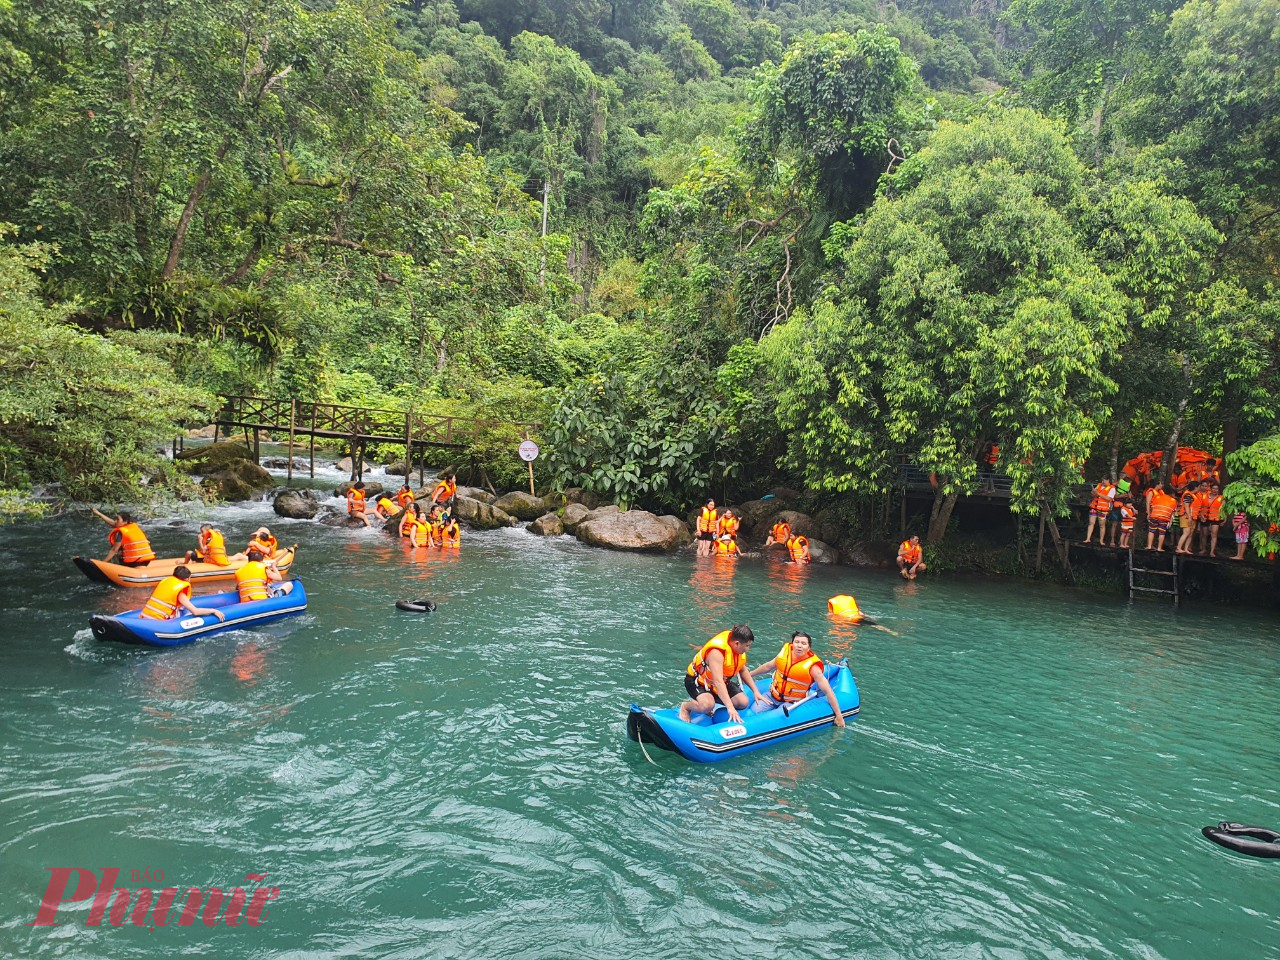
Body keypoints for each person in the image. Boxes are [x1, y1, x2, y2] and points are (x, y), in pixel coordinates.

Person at [749, 631, 846, 727]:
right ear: (792, 643)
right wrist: (750, 674)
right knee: (753, 712)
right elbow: (768, 666)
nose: (799, 645)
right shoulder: (784, 654)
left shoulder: (813, 667)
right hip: (772, 695)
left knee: (777, 720)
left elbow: (828, 691)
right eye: (797, 642)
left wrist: (839, 716)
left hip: (792, 702)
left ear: (808, 648)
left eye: (803, 643)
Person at [678, 625, 765, 724]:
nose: (747, 649)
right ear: (737, 643)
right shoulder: (717, 653)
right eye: (747, 646)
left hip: (719, 682)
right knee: (707, 706)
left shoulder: (736, 649)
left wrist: (755, 691)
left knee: (743, 702)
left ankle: (709, 704)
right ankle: (686, 706)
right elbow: (718, 682)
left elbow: (743, 670)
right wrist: (730, 708)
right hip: (698, 681)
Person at [140, 566, 225, 622]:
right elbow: (195, 612)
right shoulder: (180, 593)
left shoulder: (165, 582)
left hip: (145, 616)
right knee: (187, 614)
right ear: (187, 579)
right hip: (158, 622)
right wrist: (214, 611)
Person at [1082, 477, 1115, 545]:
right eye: (1102, 480)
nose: (1102, 481)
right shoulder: (1099, 485)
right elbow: (1094, 494)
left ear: (1108, 480)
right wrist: (1093, 492)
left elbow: (1108, 498)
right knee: (1091, 522)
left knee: (1102, 525)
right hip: (1094, 506)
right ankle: (1088, 538)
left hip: (1103, 509)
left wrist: (1098, 493)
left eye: (1104, 480)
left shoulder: (1112, 488)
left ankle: (1101, 541)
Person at [1145, 483, 1177, 551]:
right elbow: (1172, 512)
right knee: (1162, 532)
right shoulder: (1174, 501)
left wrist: (1150, 514)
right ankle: (1159, 548)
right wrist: (1170, 521)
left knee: (1151, 531)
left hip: (1154, 516)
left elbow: (1152, 506)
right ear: (1172, 493)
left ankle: (1149, 546)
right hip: (1164, 518)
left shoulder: (1158, 497)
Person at [1175, 480, 1201, 554]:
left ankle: (1186, 548)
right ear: (1195, 487)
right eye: (1199, 487)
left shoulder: (1194, 495)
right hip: (1186, 516)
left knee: (1190, 533)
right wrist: (1189, 516)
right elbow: (1186, 506)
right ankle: (1178, 548)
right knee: (1186, 532)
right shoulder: (1188, 495)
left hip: (1193, 517)